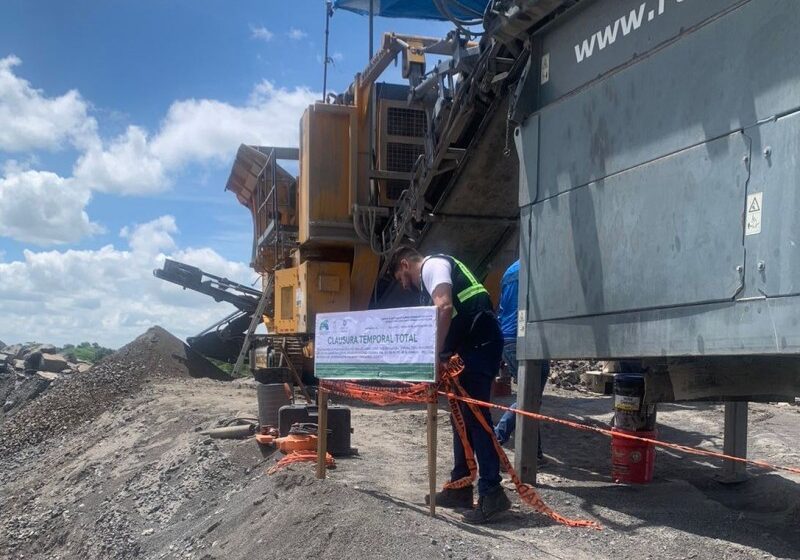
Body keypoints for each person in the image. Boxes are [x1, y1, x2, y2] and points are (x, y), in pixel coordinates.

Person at [390, 246, 510, 524]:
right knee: (462, 419)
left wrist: (433, 357)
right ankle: (461, 485)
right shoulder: (428, 283)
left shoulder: (433, 266)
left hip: (480, 347)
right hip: (470, 349)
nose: (402, 284)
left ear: (406, 264)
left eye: (399, 277)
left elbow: (444, 307)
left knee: (477, 419)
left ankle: (492, 492)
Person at [493, 259, 549, 462]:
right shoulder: (540, 265)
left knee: (530, 396)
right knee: (529, 397)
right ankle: (497, 437)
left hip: (508, 337)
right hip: (527, 337)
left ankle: (535, 453)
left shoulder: (510, 269)